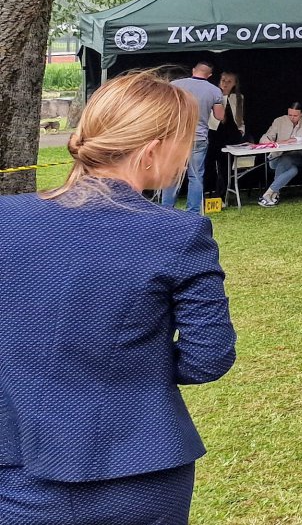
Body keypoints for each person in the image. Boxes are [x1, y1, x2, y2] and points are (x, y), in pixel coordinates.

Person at [0, 71, 236, 524]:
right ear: (153, 149)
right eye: (185, 142)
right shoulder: (179, 232)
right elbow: (208, 357)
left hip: (16, 463)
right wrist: (127, 368)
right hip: (138, 465)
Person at [158, 62, 225, 214]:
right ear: (209, 75)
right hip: (198, 138)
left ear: (194, 70)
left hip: (176, 137)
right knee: (195, 176)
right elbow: (219, 116)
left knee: (172, 174)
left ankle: (166, 210)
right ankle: (193, 212)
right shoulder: (214, 90)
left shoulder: (175, 85)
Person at [256, 102, 302, 207]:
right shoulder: (279, 121)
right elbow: (264, 138)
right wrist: (276, 143)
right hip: (275, 157)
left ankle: (268, 194)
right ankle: (273, 194)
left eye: (295, 115)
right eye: (290, 115)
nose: (292, 118)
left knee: (286, 159)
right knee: (293, 170)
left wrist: (295, 139)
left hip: (297, 156)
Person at [207, 72, 247, 204]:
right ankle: (207, 194)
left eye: (229, 81)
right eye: (223, 80)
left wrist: (241, 131)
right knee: (209, 166)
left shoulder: (238, 98)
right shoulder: (211, 95)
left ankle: (221, 197)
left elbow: (240, 118)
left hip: (230, 136)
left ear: (235, 84)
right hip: (213, 134)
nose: (225, 83)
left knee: (225, 168)